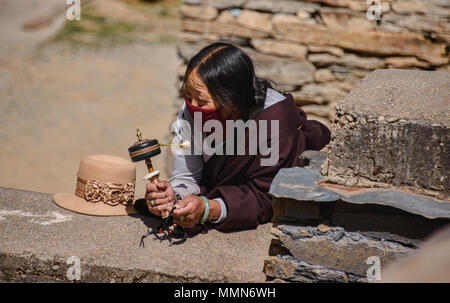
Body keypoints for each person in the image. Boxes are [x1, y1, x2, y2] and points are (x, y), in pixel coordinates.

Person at [145, 42, 331, 232]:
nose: (192, 106)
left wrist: (209, 209)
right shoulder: (192, 112)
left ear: (231, 101)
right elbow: (187, 175)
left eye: (201, 100)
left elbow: (265, 197)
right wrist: (173, 196)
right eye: (188, 95)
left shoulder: (274, 127)